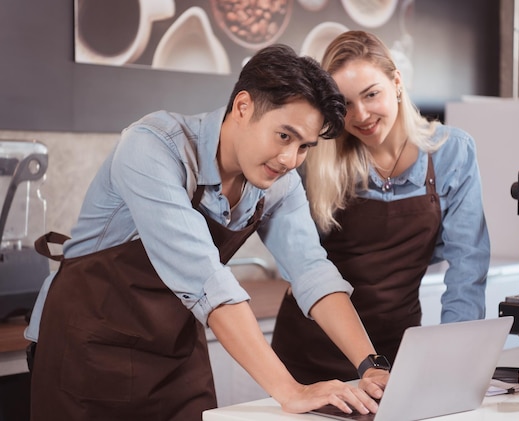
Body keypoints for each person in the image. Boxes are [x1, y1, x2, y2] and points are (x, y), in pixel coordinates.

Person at [24, 44, 388, 421]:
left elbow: (312, 270)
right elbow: (204, 278)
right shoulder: (153, 146)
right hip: (88, 352)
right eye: (284, 136)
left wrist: (370, 364)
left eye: (304, 147)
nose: (289, 159)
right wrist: (290, 391)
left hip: (174, 356)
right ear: (243, 107)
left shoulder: (279, 182)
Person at [272, 31, 490, 384]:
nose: (361, 115)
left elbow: (468, 269)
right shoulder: (314, 160)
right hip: (309, 356)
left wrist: (456, 359)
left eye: (371, 94)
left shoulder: (452, 153)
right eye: (346, 104)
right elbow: (302, 263)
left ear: (397, 82)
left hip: (395, 355)